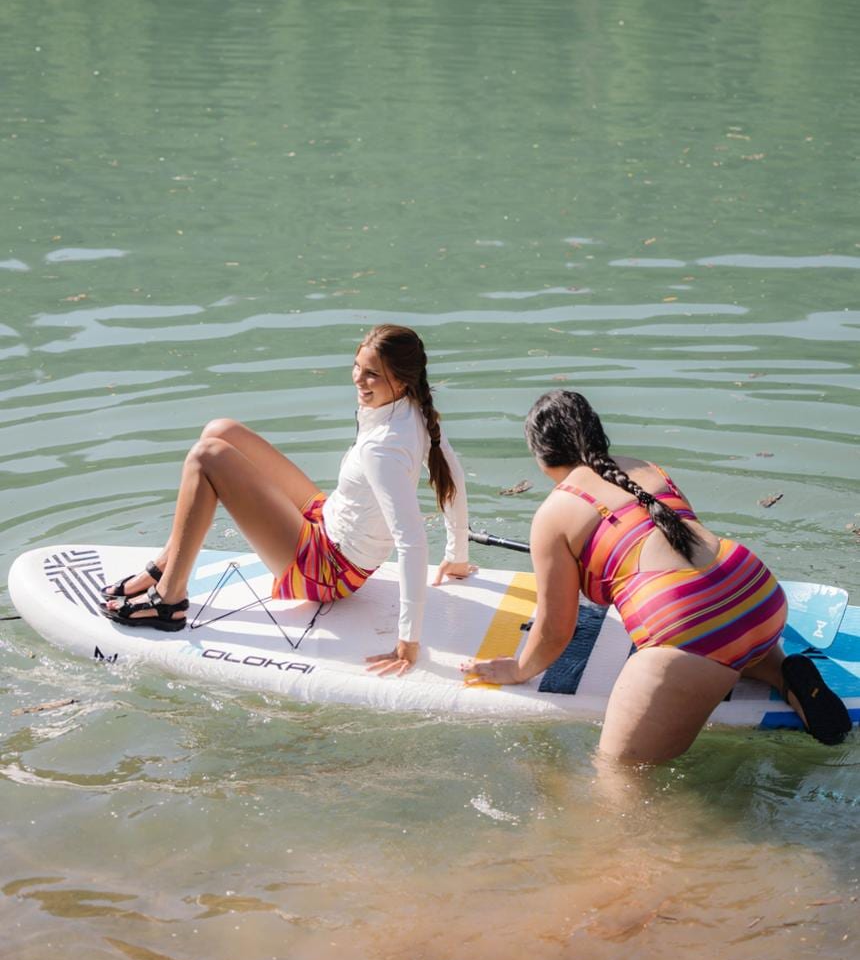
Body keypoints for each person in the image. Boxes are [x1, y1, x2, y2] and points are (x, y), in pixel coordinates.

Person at [463, 390, 851, 763]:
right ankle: (780, 671)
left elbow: (555, 631)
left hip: (690, 631)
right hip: (756, 593)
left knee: (620, 783)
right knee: (726, 631)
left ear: (541, 456)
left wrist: (517, 669)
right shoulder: (643, 469)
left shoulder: (554, 513)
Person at [101, 324, 475, 676]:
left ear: (402, 379)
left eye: (372, 374)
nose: (359, 380)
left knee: (206, 456)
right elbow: (452, 474)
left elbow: (411, 542)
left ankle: (168, 600)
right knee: (221, 431)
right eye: (357, 367)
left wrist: (408, 642)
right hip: (327, 523)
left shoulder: (384, 449)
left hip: (328, 571)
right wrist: (458, 557)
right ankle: (167, 563)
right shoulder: (413, 408)